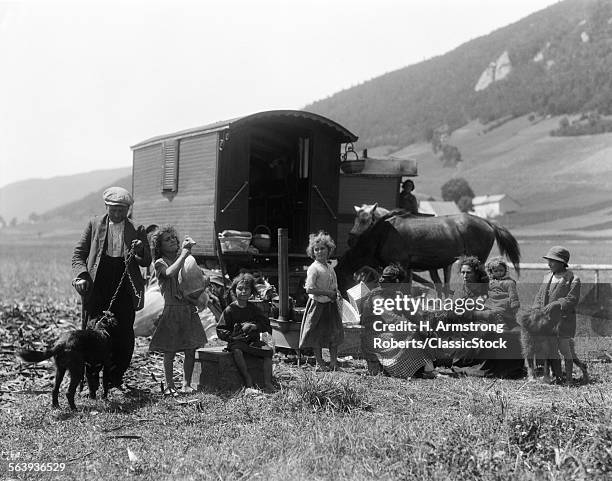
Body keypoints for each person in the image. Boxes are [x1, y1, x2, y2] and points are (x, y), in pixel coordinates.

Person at [71, 186, 151, 390]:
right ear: (106, 206)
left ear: (128, 210)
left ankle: (115, 378)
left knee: (123, 333)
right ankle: (91, 381)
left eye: (121, 210)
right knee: (93, 331)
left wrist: (140, 250)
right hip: (98, 282)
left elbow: (145, 261)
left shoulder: (138, 229)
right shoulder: (94, 224)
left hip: (125, 283)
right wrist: (81, 276)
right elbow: (79, 254)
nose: (117, 214)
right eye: (113, 209)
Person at [149, 226, 208, 395]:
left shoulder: (185, 259)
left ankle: (186, 383)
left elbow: (195, 278)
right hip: (172, 311)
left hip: (187, 309)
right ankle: (169, 385)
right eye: (167, 239)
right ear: (159, 246)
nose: (173, 240)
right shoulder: (160, 262)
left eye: (174, 237)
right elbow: (169, 273)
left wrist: (203, 282)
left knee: (190, 349)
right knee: (170, 350)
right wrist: (184, 254)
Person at [360, 264, 435, 378]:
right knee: (411, 334)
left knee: (425, 334)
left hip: (390, 331)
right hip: (374, 336)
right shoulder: (376, 297)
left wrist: (424, 325)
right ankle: (409, 370)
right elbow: (391, 318)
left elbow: (412, 313)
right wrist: (416, 328)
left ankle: (423, 369)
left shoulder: (396, 295)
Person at [532, 246, 587, 384]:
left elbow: (572, 299)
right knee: (550, 350)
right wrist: (536, 310)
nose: (549, 264)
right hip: (547, 321)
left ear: (563, 262)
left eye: (553, 261)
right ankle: (557, 376)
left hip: (564, 321)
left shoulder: (573, 279)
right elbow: (539, 297)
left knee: (565, 350)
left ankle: (570, 378)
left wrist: (557, 303)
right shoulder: (547, 277)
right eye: (549, 260)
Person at [216, 273, 273, 391]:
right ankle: (248, 380)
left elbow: (265, 325)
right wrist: (232, 336)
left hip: (252, 341)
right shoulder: (230, 310)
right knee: (237, 350)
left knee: (268, 352)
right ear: (234, 290)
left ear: (251, 292)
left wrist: (253, 326)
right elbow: (221, 329)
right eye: (240, 289)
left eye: (246, 289)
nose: (243, 292)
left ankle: (268, 383)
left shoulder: (254, 309)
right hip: (237, 342)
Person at [299, 231, 344, 371]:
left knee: (334, 332)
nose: (319, 252)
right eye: (316, 249)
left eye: (322, 248)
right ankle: (320, 363)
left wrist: (337, 292)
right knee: (316, 334)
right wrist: (327, 293)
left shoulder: (329, 267)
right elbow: (309, 289)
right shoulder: (314, 268)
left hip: (330, 305)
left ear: (329, 249)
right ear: (312, 252)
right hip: (318, 305)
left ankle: (333, 362)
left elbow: (334, 284)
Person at [484, 256, 520, 328]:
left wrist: (515, 306)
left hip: (504, 306)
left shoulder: (509, 282)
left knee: (499, 316)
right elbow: (486, 293)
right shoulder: (490, 283)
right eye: (496, 271)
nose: (499, 273)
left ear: (505, 270)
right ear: (491, 272)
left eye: (501, 270)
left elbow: (513, 295)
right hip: (493, 305)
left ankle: (503, 326)